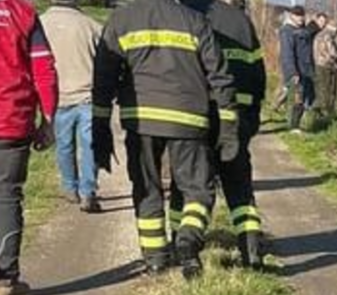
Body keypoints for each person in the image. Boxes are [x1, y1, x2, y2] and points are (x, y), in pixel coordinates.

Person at [93, 0, 239, 279]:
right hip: (189, 119)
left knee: (146, 188)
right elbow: (221, 76)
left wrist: (99, 126)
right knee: (198, 189)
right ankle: (188, 239)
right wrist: (229, 129)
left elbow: (103, 76)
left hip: (140, 120)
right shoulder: (194, 21)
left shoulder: (121, 19)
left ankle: (156, 260)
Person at [171, 0, 267, 269]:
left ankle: (181, 243)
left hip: (196, 115)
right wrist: (251, 114)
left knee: (187, 185)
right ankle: (251, 249)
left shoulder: (184, 16)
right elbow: (258, 73)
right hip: (238, 116)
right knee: (239, 186)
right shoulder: (240, 20)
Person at [0, 0, 58, 295]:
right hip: (11, 121)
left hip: (9, 120)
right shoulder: (23, 12)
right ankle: (5, 279)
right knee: (6, 195)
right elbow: (43, 68)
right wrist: (48, 118)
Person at [42, 0, 103, 213]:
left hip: (57, 97)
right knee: (90, 146)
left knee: (64, 145)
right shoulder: (91, 25)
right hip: (88, 96)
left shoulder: (40, 24)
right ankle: (88, 191)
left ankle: (69, 187)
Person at [279, 5, 315, 132]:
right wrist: (292, 72)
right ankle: (293, 126)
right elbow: (287, 54)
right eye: (298, 16)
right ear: (292, 16)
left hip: (306, 70)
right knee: (296, 99)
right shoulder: (287, 31)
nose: (300, 18)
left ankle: (298, 124)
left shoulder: (303, 30)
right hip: (295, 70)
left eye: (302, 15)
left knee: (306, 99)